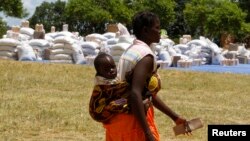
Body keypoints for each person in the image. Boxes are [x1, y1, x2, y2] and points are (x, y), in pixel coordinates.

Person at [103, 11, 189, 141]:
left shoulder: (131, 50)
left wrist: (175, 117)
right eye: (157, 28)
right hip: (133, 124)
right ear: (145, 30)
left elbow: (146, 93)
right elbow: (135, 94)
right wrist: (148, 133)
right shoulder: (145, 56)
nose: (160, 31)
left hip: (118, 122)